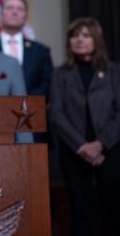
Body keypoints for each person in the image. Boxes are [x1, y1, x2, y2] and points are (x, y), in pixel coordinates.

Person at [49, 17, 120, 235]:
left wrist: (101, 144)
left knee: (113, 209)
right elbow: (57, 114)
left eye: (86, 35)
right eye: (74, 35)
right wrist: (82, 146)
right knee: (81, 212)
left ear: (96, 40)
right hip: (74, 152)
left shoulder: (114, 71)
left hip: (110, 150)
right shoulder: (61, 73)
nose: (79, 40)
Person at [0, 0, 53, 96]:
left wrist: (28, 104)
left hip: (31, 108)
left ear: (25, 16)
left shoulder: (41, 51)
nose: (15, 12)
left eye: (20, 9)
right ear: (1, 15)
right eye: (10, 8)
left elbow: (46, 84)